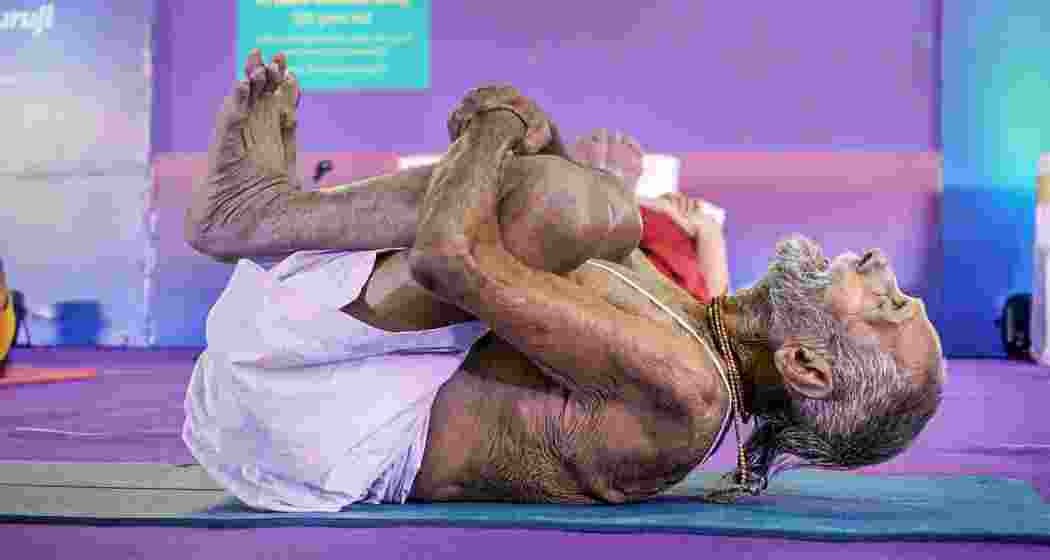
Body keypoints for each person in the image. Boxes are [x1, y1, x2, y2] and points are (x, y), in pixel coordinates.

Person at [182, 50, 945, 511]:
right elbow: (556, 242)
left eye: (885, 305)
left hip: (305, 419)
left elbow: (450, 258)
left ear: (806, 366)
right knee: (600, 208)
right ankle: (265, 215)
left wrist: (496, 126)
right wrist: (545, 138)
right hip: (318, 369)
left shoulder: (690, 392)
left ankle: (259, 214)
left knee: (576, 205)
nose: (879, 269)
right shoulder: (694, 332)